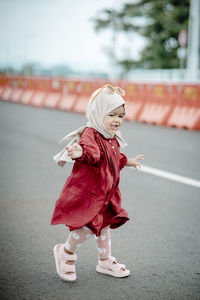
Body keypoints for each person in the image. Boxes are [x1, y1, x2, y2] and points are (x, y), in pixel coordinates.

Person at [51, 84, 144, 281]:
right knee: (85, 227)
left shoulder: (111, 138)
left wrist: (129, 161)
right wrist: (81, 152)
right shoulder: (90, 133)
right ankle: (66, 253)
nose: (116, 120)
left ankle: (105, 260)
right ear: (98, 112)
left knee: (104, 226)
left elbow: (114, 158)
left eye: (120, 116)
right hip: (90, 192)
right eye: (111, 115)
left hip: (106, 192)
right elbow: (92, 154)